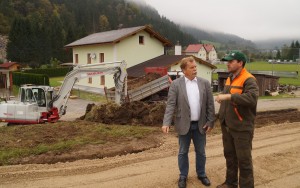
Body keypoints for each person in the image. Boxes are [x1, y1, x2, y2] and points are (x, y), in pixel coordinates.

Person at [162, 56, 215, 188]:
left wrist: (210, 121)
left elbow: (210, 104)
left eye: (195, 67)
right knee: (182, 152)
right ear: (184, 70)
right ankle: (183, 176)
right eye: (192, 67)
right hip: (183, 124)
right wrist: (166, 122)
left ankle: (201, 174)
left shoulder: (204, 83)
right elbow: (170, 105)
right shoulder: (176, 84)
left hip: (200, 124)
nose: (195, 69)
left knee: (201, 152)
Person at [215, 51, 259, 188]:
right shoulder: (230, 78)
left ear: (240, 63)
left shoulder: (249, 79)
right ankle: (231, 183)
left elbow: (251, 99)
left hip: (241, 127)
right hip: (227, 125)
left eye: (231, 61)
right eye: (227, 61)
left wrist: (228, 97)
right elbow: (228, 100)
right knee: (230, 157)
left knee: (244, 161)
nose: (227, 64)